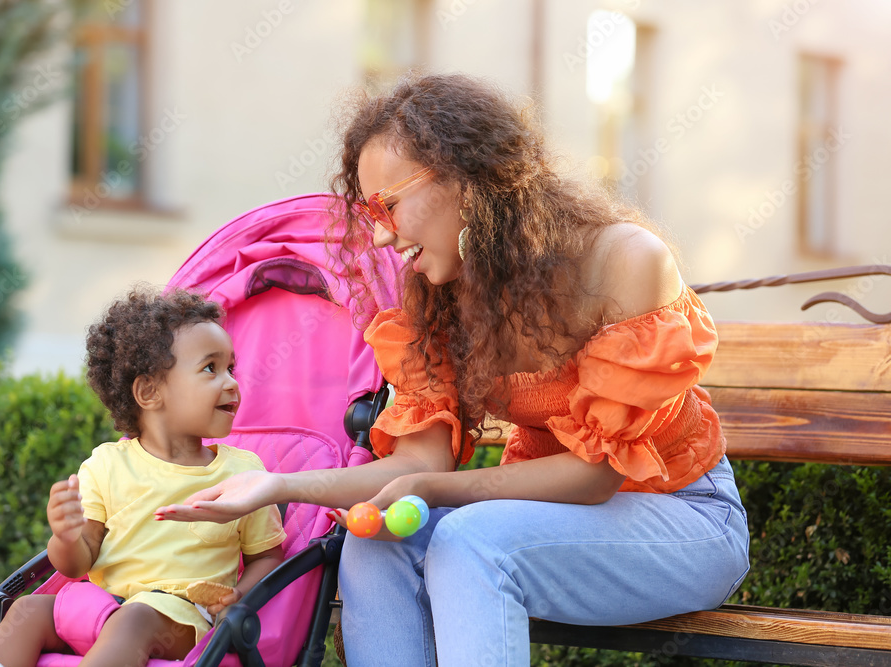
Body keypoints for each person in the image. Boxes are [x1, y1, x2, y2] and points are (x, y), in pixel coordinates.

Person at [156, 74, 750, 666]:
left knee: (472, 543)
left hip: (685, 520)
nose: (383, 235)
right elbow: (418, 464)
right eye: (369, 212)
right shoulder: (438, 295)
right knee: (375, 547)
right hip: (545, 523)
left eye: (387, 205)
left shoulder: (624, 260)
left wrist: (436, 491)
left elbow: (595, 478)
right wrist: (279, 486)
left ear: (466, 179)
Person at [0, 288, 285, 667]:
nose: (232, 382)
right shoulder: (106, 465)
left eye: (231, 368)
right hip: (102, 608)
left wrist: (240, 596)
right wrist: (66, 538)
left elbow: (267, 555)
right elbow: (75, 565)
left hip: (178, 618)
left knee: (135, 618)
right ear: (149, 391)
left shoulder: (242, 472)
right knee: (27, 610)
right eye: (210, 368)